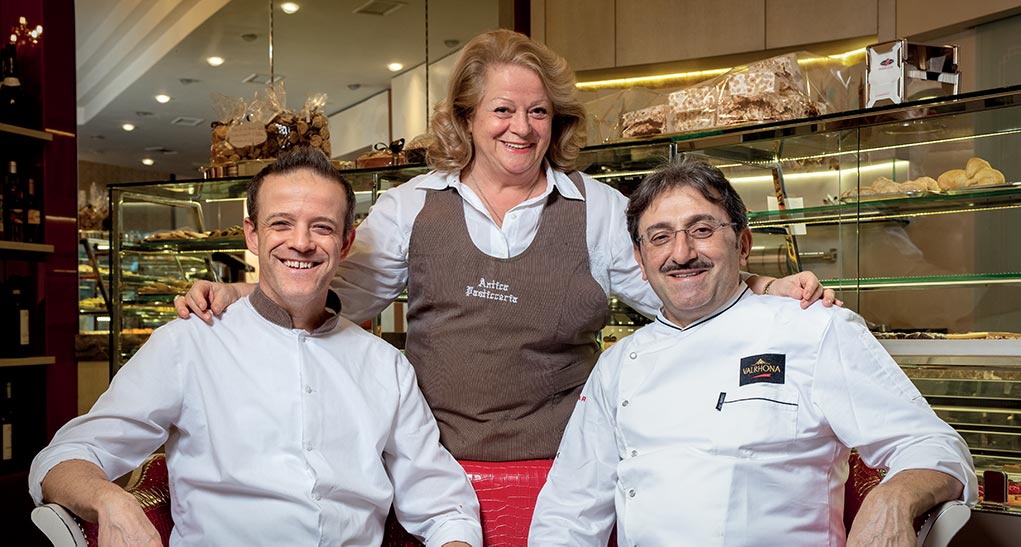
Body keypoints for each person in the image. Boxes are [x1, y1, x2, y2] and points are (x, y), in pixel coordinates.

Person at [176, 29, 837, 461]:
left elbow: (682, 292)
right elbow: (330, 296)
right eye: (501, 109)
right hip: (428, 465)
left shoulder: (597, 207)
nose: (520, 128)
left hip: (570, 463)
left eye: (538, 111)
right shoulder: (413, 204)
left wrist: (767, 289)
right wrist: (238, 292)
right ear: (466, 117)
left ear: (556, 120)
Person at [29, 148, 481, 547]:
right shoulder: (190, 343)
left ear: (345, 242)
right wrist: (111, 500)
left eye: (321, 228)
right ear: (251, 234)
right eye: (280, 223)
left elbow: (442, 503)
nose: (301, 243)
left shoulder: (385, 366)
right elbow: (64, 458)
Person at [527, 158, 976, 546]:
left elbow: (934, 445)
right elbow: (570, 510)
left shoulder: (813, 329)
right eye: (659, 238)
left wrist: (892, 498)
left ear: (743, 245)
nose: (681, 253)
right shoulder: (619, 365)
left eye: (702, 230)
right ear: (640, 263)